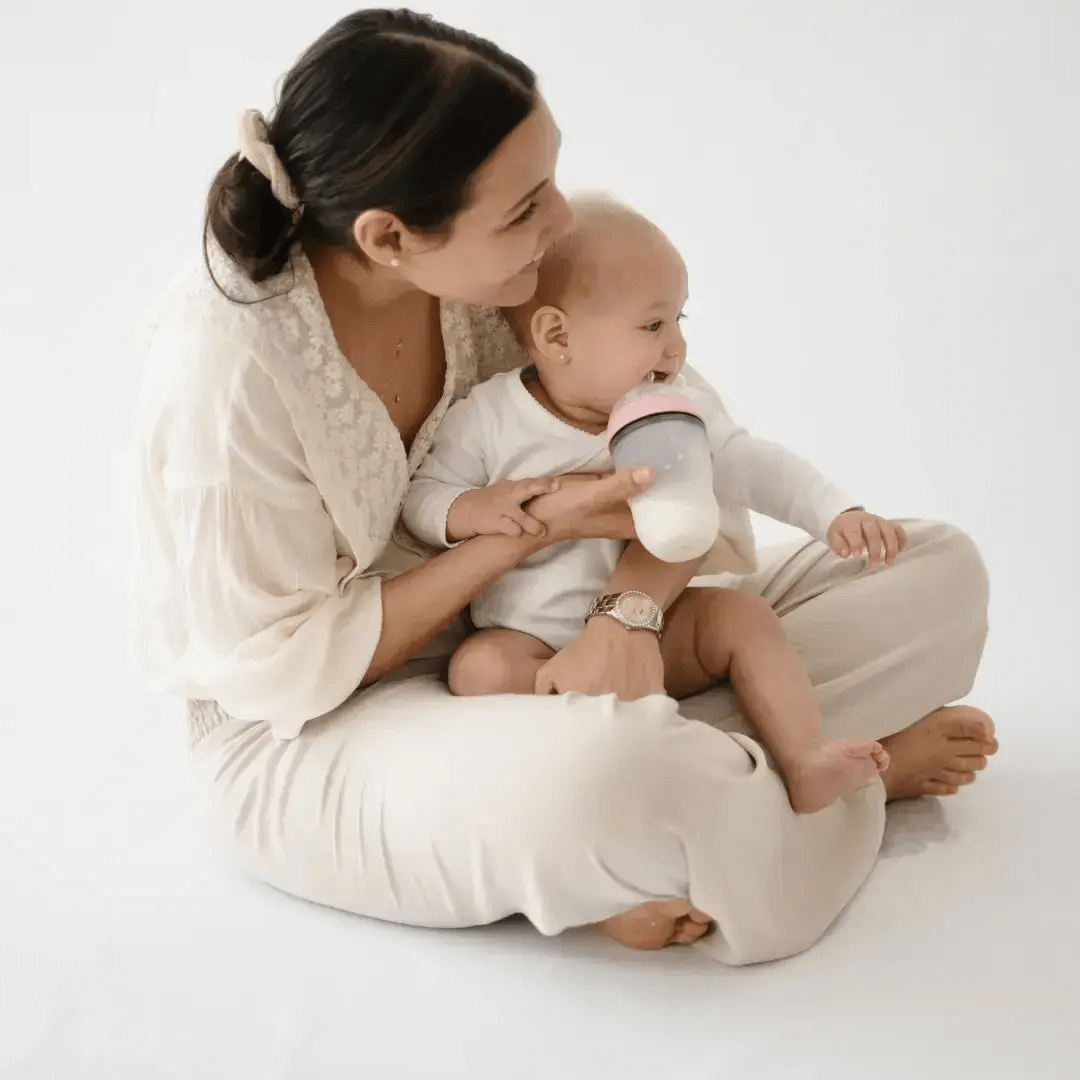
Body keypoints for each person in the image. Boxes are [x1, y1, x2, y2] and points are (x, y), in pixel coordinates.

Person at [131, 8, 998, 962]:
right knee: (616, 776)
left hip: (582, 634)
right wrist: (531, 532)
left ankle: (699, 807)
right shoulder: (231, 376)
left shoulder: (519, 276)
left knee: (933, 570)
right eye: (524, 209)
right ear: (389, 238)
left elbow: (681, 456)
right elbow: (288, 672)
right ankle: (820, 782)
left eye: (548, 183)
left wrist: (626, 617)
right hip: (325, 727)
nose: (561, 222)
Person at [402, 194, 896, 815]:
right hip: (529, 640)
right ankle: (591, 741)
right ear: (557, 335)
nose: (677, 348)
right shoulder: (490, 418)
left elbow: (751, 462)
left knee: (742, 617)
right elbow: (423, 496)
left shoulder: (675, 409)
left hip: (658, 626)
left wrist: (833, 512)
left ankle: (804, 760)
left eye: (680, 320)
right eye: (653, 326)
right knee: (478, 670)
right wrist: (474, 510)